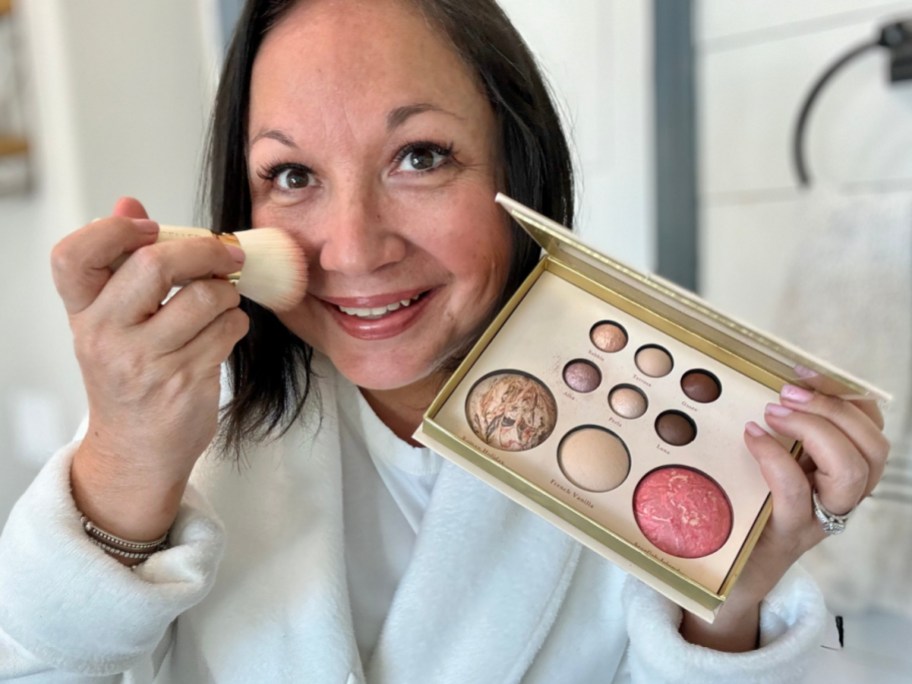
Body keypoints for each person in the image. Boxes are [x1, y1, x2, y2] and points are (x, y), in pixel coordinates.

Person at [0, 0, 889, 682]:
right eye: (293, 174)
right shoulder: (185, 428)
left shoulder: (646, 435)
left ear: (516, 163)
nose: (350, 249)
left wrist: (726, 605)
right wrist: (120, 469)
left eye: (419, 156)